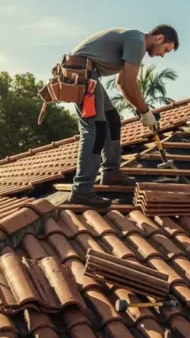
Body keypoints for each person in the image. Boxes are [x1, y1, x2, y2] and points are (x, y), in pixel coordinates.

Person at [67, 24, 179, 208]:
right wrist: (145, 112)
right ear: (159, 38)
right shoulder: (137, 42)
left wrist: (141, 109)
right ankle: (81, 189)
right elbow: (128, 84)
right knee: (95, 131)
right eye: (165, 50)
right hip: (83, 74)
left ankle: (111, 172)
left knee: (112, 120)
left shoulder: (135, 43)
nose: (162, 55)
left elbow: (120, 83)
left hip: (89, 74)